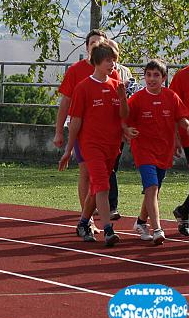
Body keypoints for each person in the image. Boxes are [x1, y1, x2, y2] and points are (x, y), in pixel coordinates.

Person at [58, 40, 128, 246]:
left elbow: (124, 115)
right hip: (91, 145)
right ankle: (108, 230)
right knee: (103, 186)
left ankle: (82, 223)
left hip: (112, 145)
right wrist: (69, 149)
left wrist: (123, 98)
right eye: (108, 60)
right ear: (96, 62)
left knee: (96, 188)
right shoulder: (83, 87)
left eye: (114, 60)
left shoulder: (116, 85)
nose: (112, 64)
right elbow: (75, 121)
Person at [123, 59, 189, 245]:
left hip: (164, 150)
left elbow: (181, 119)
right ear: (144, 77)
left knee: (154, 189)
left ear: (164, 78)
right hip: (143, 150)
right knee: (151, 187)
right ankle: (157, 229)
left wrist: (185, 130)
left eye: (156, 75)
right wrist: (126, 130)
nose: (152, 79)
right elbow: (123, 119)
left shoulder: (171, 97)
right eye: (148, 75)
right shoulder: (137, 99)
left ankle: (141, 222)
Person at [167, 61, 189, 236]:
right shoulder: (181, 76)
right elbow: (173, 109)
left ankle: (183, 211)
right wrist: (175, 138)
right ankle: (183, 211)